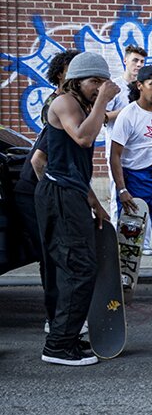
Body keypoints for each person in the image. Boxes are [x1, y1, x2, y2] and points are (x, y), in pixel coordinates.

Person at [36, 52, 119, 366]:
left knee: (78, 267)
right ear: (76, 81)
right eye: (93, 82)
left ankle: (65, 339)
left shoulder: (81, 106)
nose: (99, 87)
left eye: (102, 81)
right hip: (61, 196)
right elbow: (84, 139)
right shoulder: (63, 102)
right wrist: (104, 102)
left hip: (69, 193)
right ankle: (58, 346)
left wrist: (94, 203)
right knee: (79, 268)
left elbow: (51, 161)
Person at [15, 49, 79, 333]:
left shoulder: (77, 106)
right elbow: (39, 160)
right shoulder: (61, 106)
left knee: (63, 253)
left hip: (48, 187)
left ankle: (62, 316)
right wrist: (51, 195)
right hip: (35, 189)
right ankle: (55, 320)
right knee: (51, 252)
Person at [109, 65, 152, 294]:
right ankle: (122, 287)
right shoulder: (128, 114)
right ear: (139, 86)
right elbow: (115, 155)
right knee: (130, 234)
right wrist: (122, 189)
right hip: (135, 178)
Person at [104, 45, 147, 221]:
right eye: (135, 60)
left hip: (138, 152)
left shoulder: (143, 87)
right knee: (119, 195)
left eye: (142, 61)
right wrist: (128, 110)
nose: (138, 64)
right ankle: (115, 241)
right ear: (125, 61)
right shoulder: (115, 87)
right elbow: (102, 117)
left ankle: (143, 245)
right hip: (117, 150)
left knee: (142, 199)